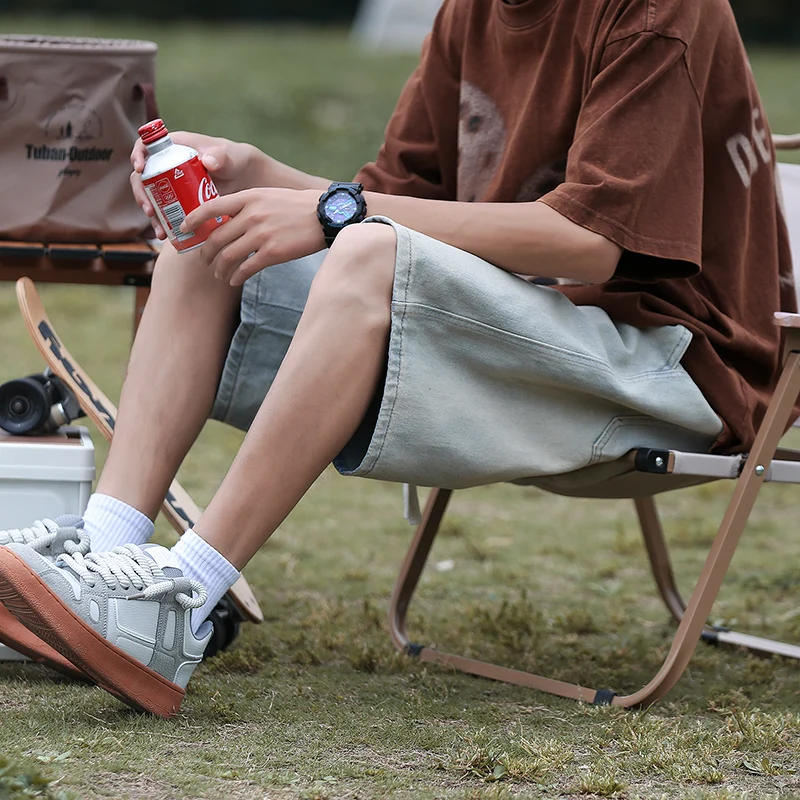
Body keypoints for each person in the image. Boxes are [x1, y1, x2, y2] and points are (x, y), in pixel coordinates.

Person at [0, 0, 793, 717]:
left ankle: (179, 600)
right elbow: (388, 197)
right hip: (529, 330)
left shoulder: (658, 10)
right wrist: (261, 175)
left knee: (369, 253)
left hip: (669, 366)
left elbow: (592, 244)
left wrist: (339, 212)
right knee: (207, 235)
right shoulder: (471, 14)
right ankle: (100, 558)